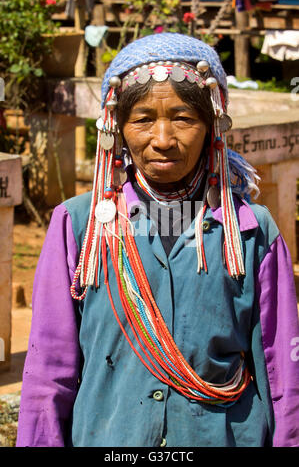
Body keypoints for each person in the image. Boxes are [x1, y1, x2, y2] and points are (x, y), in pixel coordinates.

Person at [16, 32, 299, 447]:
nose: (163, 139)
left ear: (212, 126)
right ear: (117, 127)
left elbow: (283, 374)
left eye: (183, 118)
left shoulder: (251, 230)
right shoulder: (78, 227)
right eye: (143, 119)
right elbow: (48, 373)